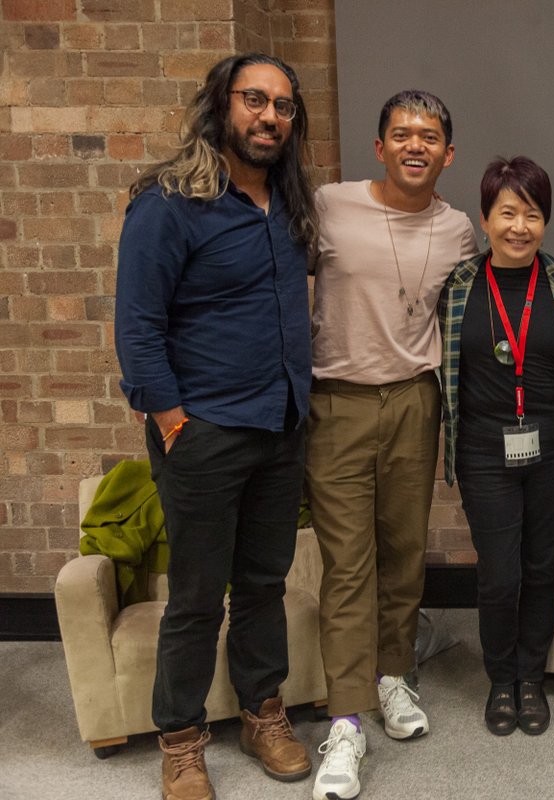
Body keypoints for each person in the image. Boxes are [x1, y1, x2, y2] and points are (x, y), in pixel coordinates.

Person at [114, 52, 316, 800]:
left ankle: (264, 712)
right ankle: (182, 738)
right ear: (222, 105)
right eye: (255, 101)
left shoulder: (290, 204)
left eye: (284, 107)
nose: (269, 117)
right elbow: (137, 327)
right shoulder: (168, 203)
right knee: (198, 594)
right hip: (202, 435)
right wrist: (171, 421)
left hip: (281, 424)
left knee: (263, 583)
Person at [305, 90, 475, 800]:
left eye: (429, 136)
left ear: (447, 153)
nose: (415, 145)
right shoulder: (329, 204)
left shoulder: (459, 227)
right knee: (349, 564)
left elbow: (485, 293)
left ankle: (392, 675)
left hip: (415, 400)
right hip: (337, 400)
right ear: (379, 146)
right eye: (402, 134)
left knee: (405, 553)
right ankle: (345, 724)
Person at [439, 156, 554, 737]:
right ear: (485, 218)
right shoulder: (458, 286)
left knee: (539, 567)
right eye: (507, 213)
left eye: (531, 215)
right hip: (484, 449)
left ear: (545, 221)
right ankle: (499, 679)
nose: (519, 227)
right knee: (499, 573)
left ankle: (530, 679)